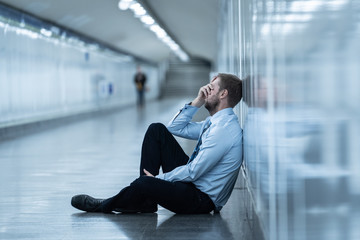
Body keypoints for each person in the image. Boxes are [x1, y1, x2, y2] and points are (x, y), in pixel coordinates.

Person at [71, 73, 243, 214]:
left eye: (211, 89)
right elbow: (175, 127)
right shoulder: (214, 122)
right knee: (157, 130)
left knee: (144, 183)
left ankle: (104, 205)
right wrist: (197, 101)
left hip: (201, 199)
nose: (206, 92)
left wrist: (158, 180)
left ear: (223, 94)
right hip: (194, 183)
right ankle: (145, 202)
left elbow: (194, 171)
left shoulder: (223, 130)